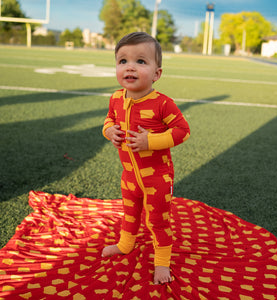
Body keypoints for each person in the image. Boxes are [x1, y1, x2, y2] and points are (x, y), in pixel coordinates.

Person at [101, 32, 190, 285]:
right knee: (129, 213)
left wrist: (150, 141)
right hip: (129, 176)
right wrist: (109, 131)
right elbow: (109, 119)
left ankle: (162, 262)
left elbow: (183, 132)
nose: (130, 66)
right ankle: (125, 244)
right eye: (123, 61)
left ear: (156, 74)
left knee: (157, 221)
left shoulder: (163, 104)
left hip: (157, 179)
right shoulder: (116, 98)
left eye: (141, 61)